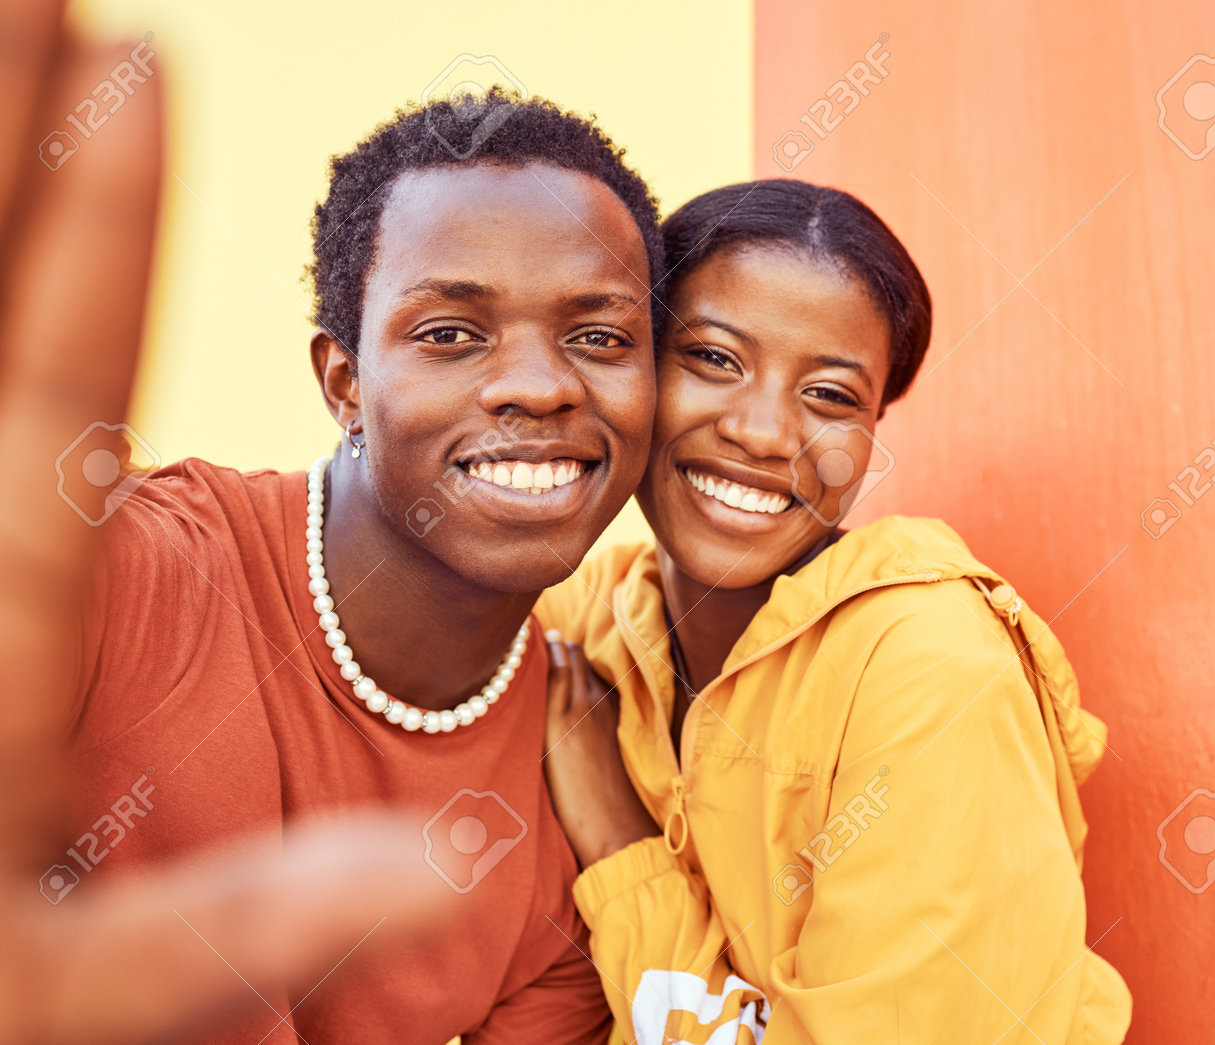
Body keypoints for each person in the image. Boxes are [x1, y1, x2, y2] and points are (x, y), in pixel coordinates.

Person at [42, 51, 664, 1045]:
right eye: (452, 334)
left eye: (600, 338)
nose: (540, 387)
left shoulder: (577, 785)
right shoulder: (130, 578)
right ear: (342, 383)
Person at [540, 179, 1133, 1043]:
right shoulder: (595, 614)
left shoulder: (932, 674)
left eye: (831, 396)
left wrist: (623, 844)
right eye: (713, 358)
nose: (766, 432)